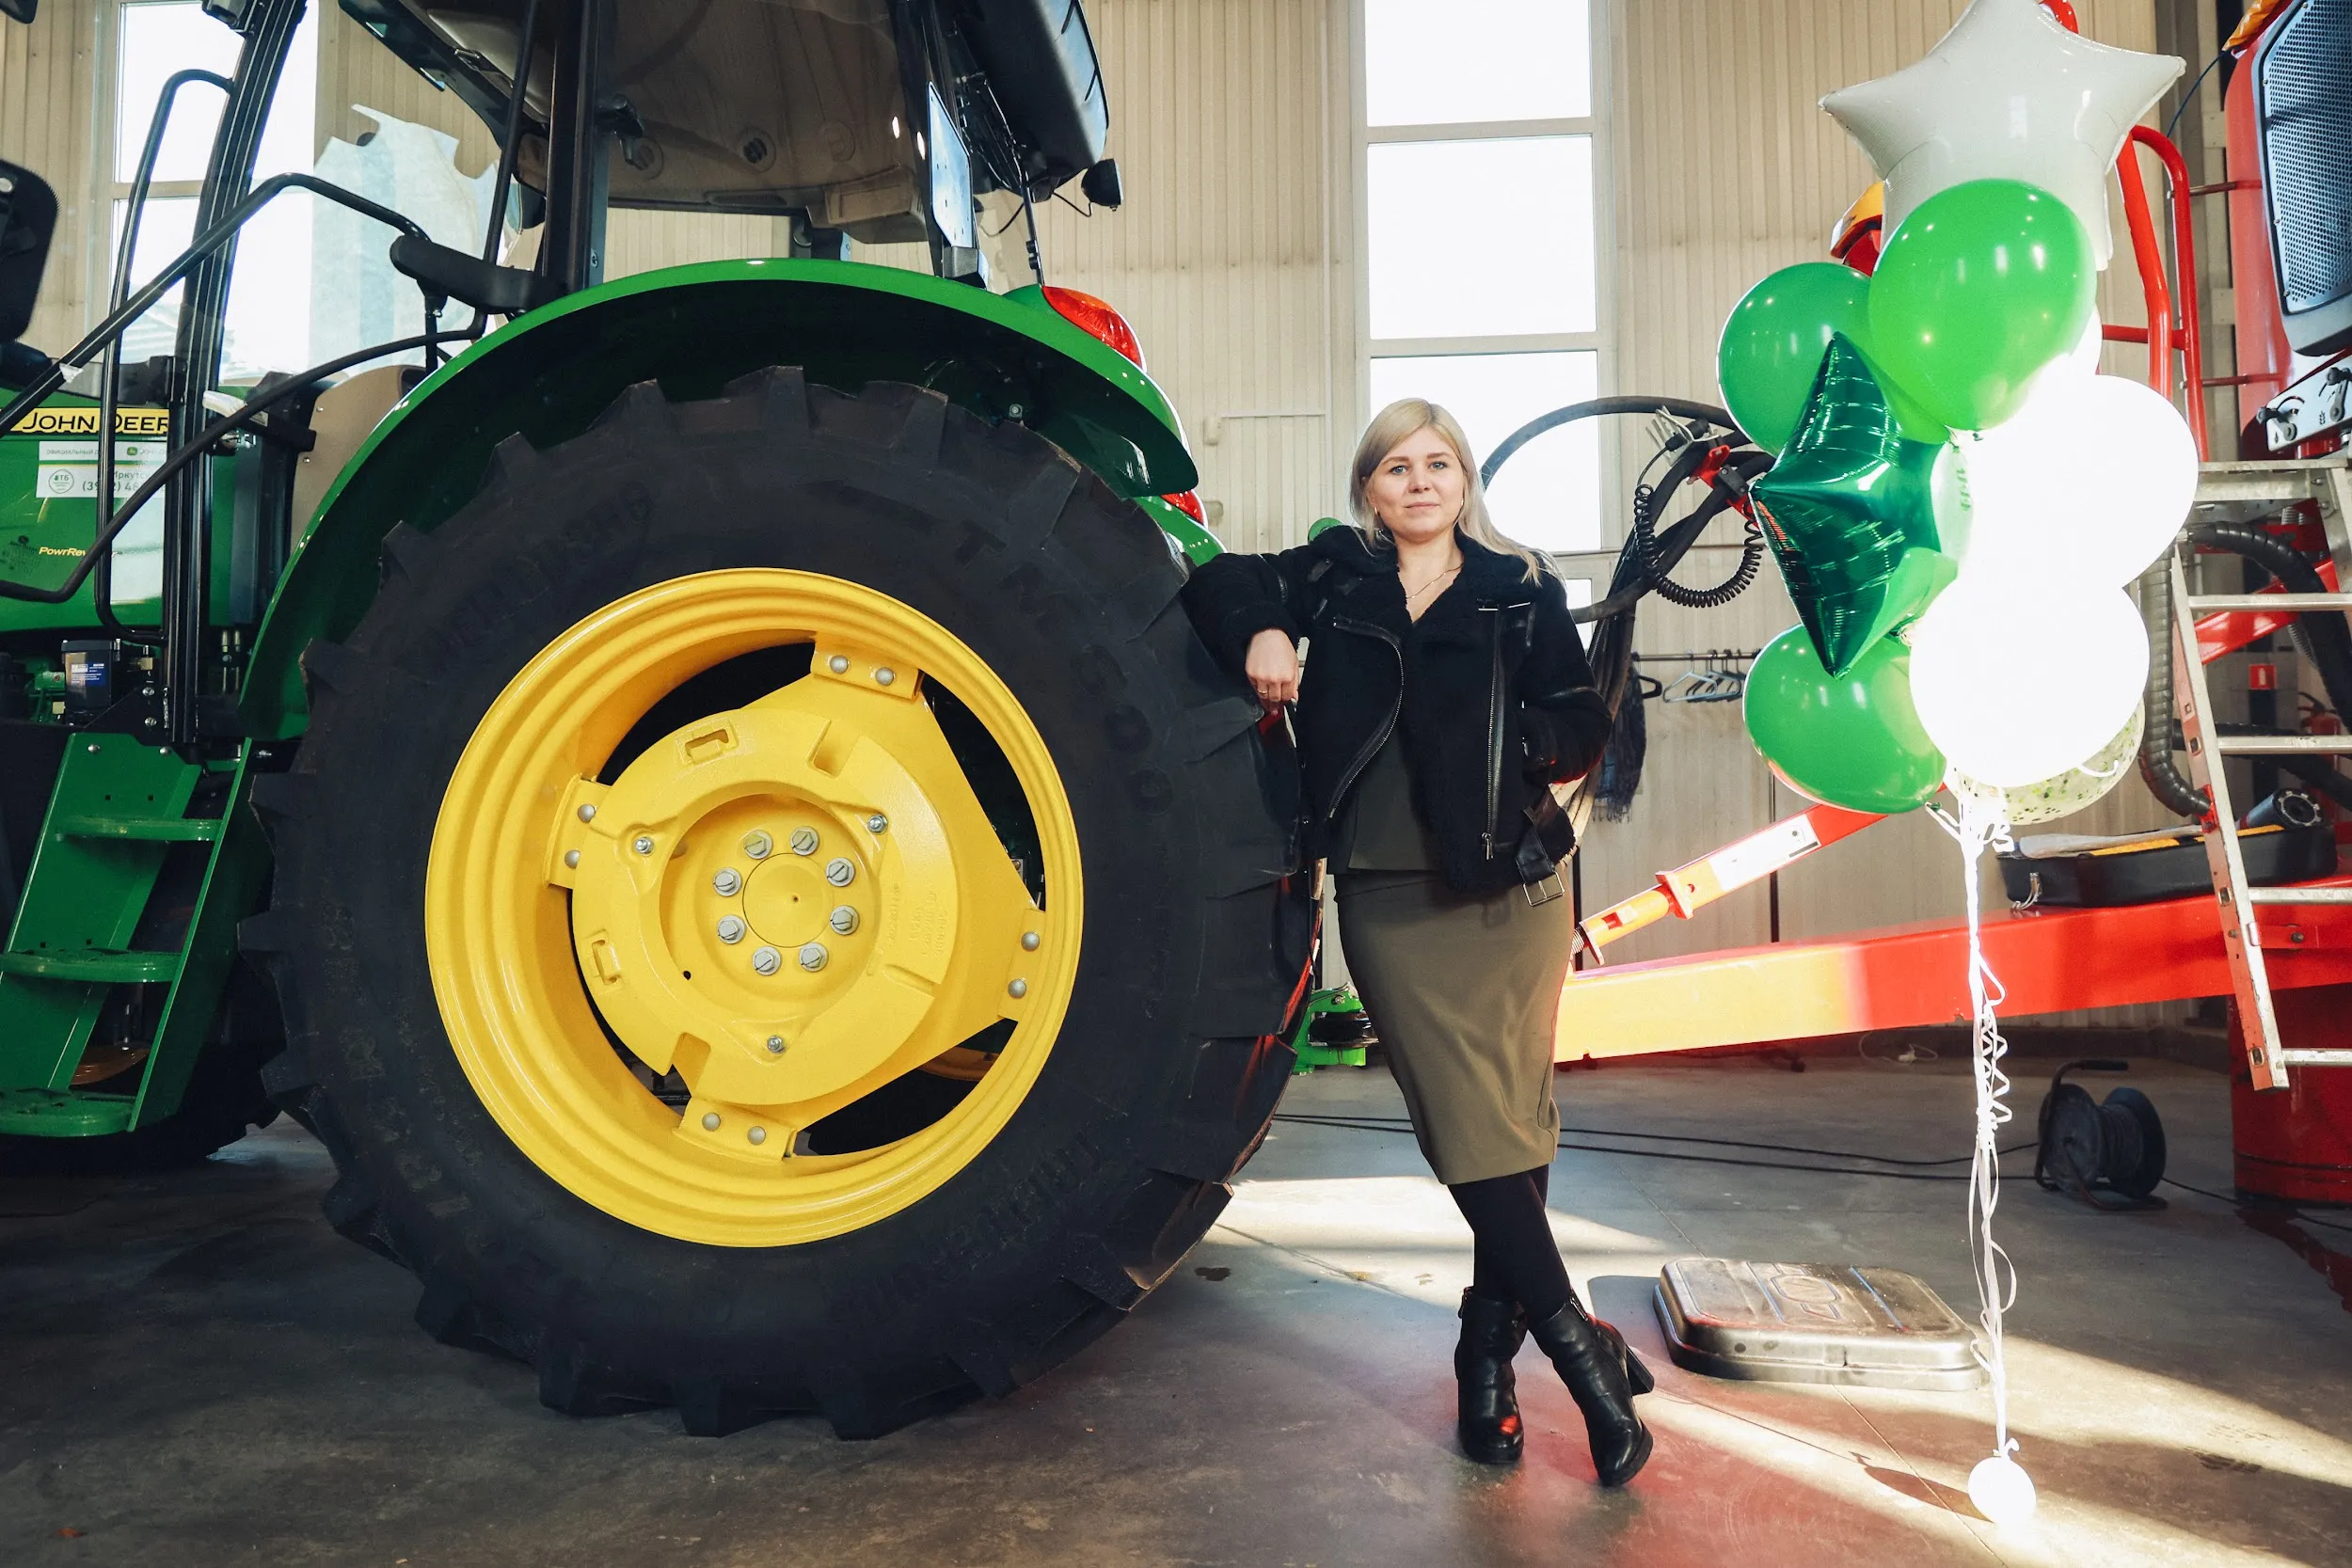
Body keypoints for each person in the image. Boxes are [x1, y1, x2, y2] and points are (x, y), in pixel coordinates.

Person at [1182, 399, 1652, 1485]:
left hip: (1513, 888)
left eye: (1438, 462)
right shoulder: (1336, 575)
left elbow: (1583, 717)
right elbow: (1217, 577)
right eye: (1396, 466)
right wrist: (1262, 632)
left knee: (1512, 1126)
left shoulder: (1517, 586)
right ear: (1369, 490)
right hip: (1387, 891)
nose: (1419, 480)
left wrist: (1516, 741)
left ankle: (1485, 1363)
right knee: (1463, 1123)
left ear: (1464, 480)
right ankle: (1580, 1353)